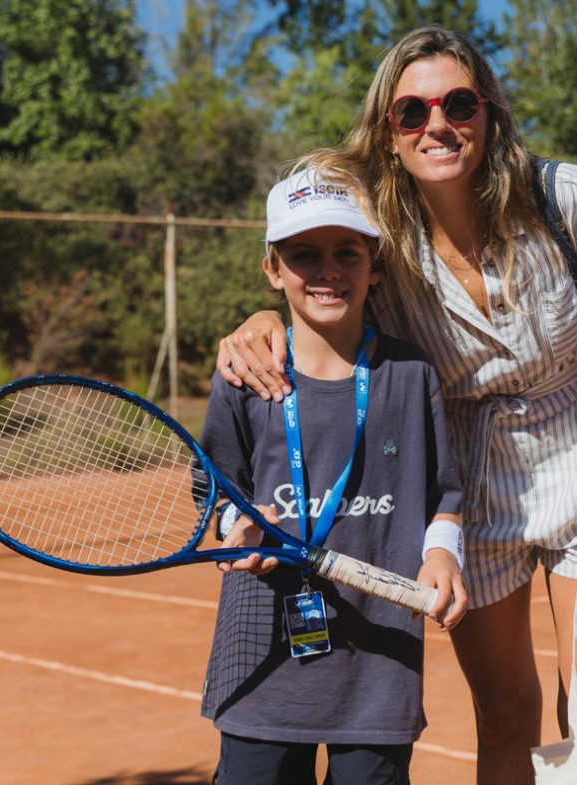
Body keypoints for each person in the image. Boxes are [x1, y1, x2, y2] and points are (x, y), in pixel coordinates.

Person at [216, 26, 577, 785]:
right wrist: (259, 320)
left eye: (458, 104)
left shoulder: (561, 198)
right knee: (506, 714)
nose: (437, 125)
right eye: (411, 111)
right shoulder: (380, 233)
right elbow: (313, 268)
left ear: (488, 113)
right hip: (470, 480)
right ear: (388, 131)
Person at [200, 166, 469, 785]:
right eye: (304, 254)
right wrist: (241, 524)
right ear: (273, 269)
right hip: (261, 669)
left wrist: (442, 553)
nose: (327, 270)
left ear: (375, 266)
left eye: (347, 252)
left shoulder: (411, 374)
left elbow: (445, 493)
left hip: (378, 671)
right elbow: (215, 486)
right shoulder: (243, 376)